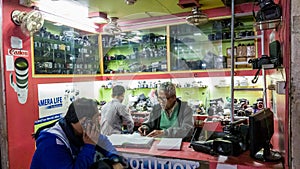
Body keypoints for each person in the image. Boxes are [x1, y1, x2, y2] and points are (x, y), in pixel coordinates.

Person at [30, 98, 126, 169]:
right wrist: (89, 146)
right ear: (85, 121)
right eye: (97, 117)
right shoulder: (52, 143)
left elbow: (104, 142)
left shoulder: (83, 131)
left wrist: (115, 159)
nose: (99, 121)